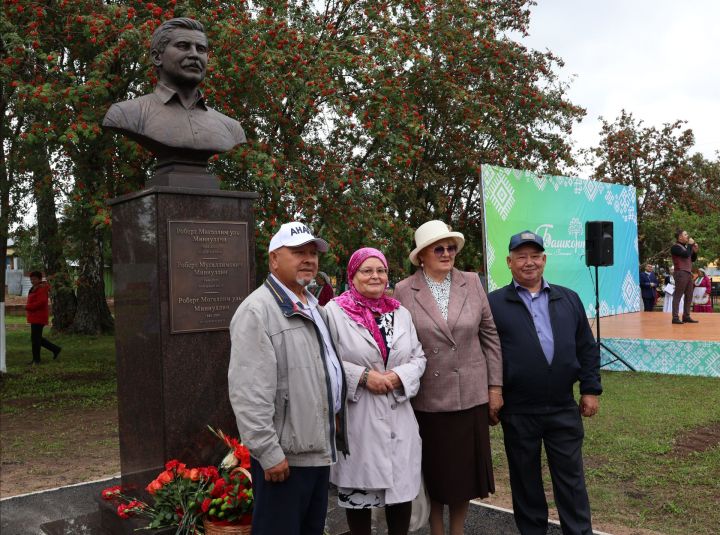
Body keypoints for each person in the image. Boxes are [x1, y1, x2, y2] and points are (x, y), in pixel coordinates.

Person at [228, 221, 348, 535]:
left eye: (312, 252)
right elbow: (248, 393)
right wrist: (268, 452)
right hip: (284, 462)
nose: (308, 259)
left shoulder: (312, 306)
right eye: (297, 252)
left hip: (315, 451)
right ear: (273, 260)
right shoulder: (257, 311)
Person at [487, 230, 602, 535]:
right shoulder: (494, 303)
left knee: (571, 480)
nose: (529, 263)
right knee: (525, 482)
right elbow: (486, 352)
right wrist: (492, 391)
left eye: (535, 256)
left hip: (563, 407)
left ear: (544, 259)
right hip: (518, 410)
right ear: (509, 262)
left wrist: (590, 389)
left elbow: (586, 348)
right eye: (521, 257)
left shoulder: (568, 298)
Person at [394, 220, 503, 535]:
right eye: (438, 248)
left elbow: (490, 337)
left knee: (464, 477)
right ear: (422, 256)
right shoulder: (403, 290)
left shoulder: (472, 282)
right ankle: (436, 530)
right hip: (429, 400)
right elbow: (400, 343)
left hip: (470, 397)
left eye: (450, 247)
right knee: (435, 474)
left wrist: (495, 387)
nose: (446, 253)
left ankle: (457, 531)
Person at [325, 247, 426, 535]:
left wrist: (398, 376)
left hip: (398, 415)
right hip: (359, 416)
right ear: (352, 275)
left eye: (381, 270)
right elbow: (324, 359)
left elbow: (418, 358)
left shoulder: (400, 313)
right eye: (366, 271)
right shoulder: (334, 312)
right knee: (360, 495)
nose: (375, 276)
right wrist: (362, 376)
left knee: (400, 493)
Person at [103, 18, 246, 165]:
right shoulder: (126, 114)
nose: (194, 55)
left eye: (201, 49)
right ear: (157, 57)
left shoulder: (231, 128)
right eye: (183, 46)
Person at [25, 271, 62, 365]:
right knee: (36, 338)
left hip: (39, 316)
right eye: (31, 279)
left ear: (40, 279)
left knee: (35, 340)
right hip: (35, 316)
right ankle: (55, 349)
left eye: (34, 279)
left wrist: (28, 307)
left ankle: (36, 360)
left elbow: (41, 302)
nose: (32, 281)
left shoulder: (41, 288)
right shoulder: (35, 288)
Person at [670, 229, 699, 324]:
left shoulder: (686, 247)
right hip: (680, 273)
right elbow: (686, 255)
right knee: (678, 295)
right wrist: (690, 245)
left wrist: (695, 251)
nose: (688, 236)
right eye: (685, 234)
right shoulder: (675, 247)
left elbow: (692, 259)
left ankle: (686, 316)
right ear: (680, 237)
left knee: (689, 295)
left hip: (687, 273)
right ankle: (675, 317)